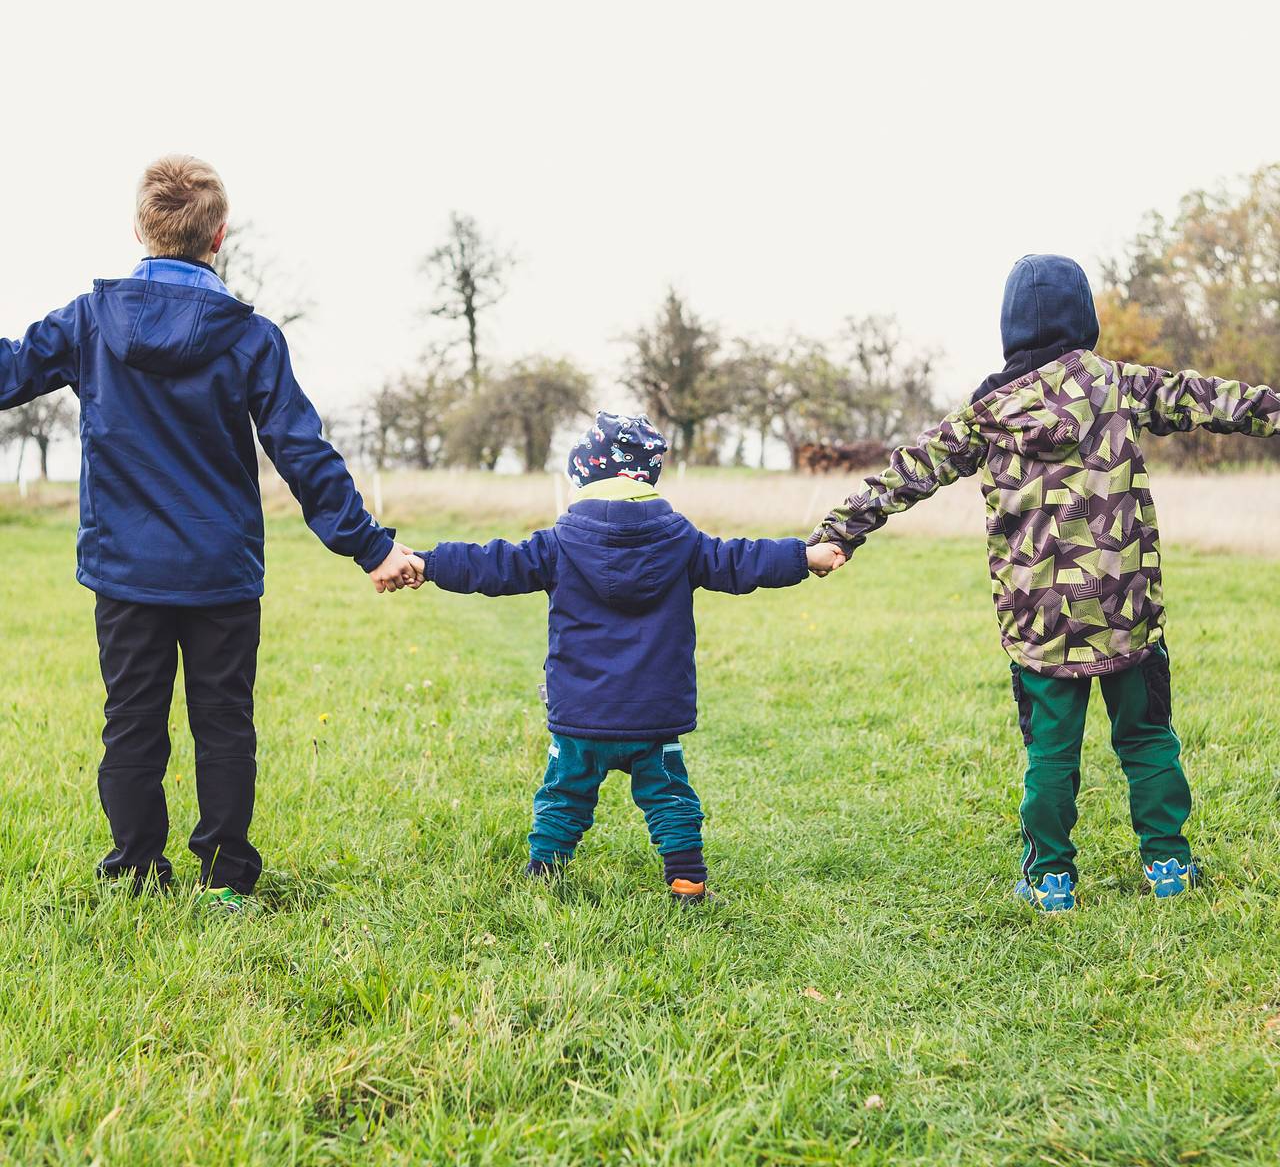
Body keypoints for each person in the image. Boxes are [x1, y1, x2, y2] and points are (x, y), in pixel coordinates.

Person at [0, 154, 422, 913]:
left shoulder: (91, 322)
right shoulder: (252, 336)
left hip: (126, 571)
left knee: (130, 724)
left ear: (139, 227)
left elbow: (7, 374)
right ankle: (226, 880)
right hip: (220, 571)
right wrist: (372, 546)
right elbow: (301, 451)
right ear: (219, 235)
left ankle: (134, 871)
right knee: (224, 722)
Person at [810, 254, 1280, 911]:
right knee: (1146, 738)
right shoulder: (1118, 385)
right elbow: (1212, 399)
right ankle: (1169, 865)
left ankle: (1051, 879)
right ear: (1084, 320)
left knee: (1051, 754)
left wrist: (839, 532)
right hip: (1127, 609)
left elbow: (905, 472)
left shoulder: (987, 414)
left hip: (1041, 622)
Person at [413, 411, 844, 901]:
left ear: (584, 476)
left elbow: (491, 564)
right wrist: (804, 557)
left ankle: (544, 872)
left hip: (581, 713)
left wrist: (428, 563)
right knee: (669, 797)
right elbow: (740, 560)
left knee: (564, 794)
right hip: (654, 714)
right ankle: (686, 877)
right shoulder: (684, 542)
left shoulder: (557, 544)